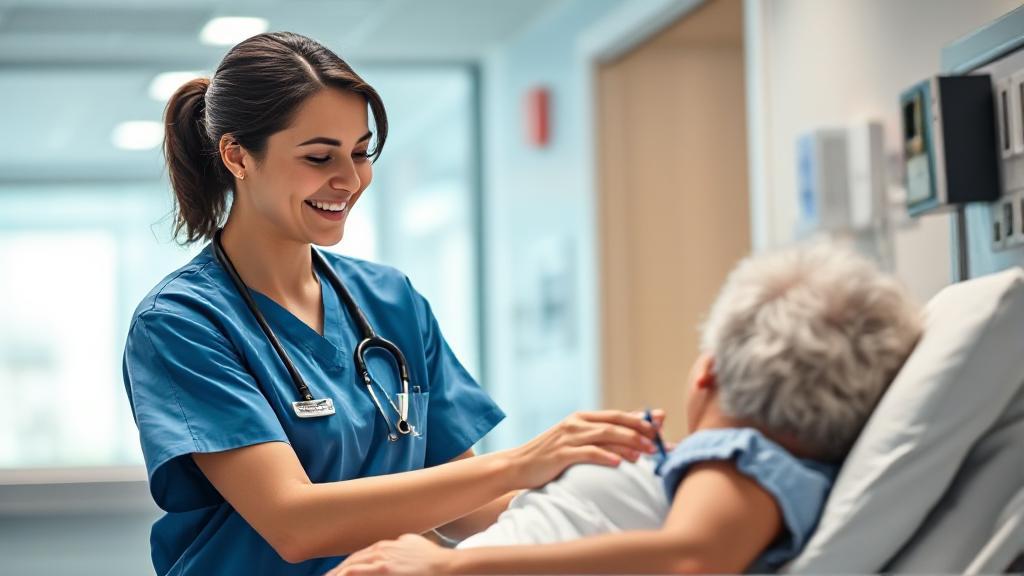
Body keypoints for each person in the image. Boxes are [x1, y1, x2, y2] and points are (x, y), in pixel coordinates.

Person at [121, 31, 662, 576]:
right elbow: (294, 523)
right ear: (237, 155)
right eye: (318, 156)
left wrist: (616, 509)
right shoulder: (182, 323)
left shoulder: (390, 301)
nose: (349, 179)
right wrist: (523, 463)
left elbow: (467, 511)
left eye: (361, 152)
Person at [330, 243, 923, 575]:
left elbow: (693, 558)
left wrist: (446, 571)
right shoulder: (746, 469)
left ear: (708, 370)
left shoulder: (740, 459)